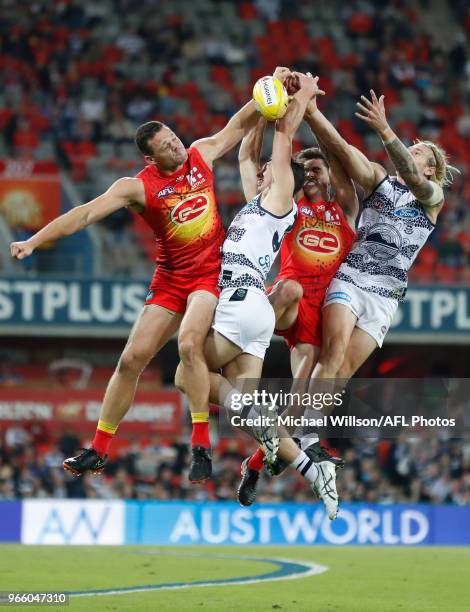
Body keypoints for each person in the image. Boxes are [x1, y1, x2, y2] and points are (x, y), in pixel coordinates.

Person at [10, 90, 266, 480]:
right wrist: (32, 241)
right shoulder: (137, 187)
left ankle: (200, 444)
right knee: (130, 360)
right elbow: (83, 215)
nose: (176, 146)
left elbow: (240, 122)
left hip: (210, 274)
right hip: (169, 279)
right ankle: (98, 449)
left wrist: (272, 88)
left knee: (188, 343)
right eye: (166, 146)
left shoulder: (201, 154)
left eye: (175, 138)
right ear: (151, 158)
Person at [176, 73, 339, 520]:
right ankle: (311, 470)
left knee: (185, 372)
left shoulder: (280, 196)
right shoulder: (256, 203)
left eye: (270, 168)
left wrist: (297, 97)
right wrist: (264, 99)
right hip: (255, 313)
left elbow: (283, 137)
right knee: (252, 415)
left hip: (240, 300)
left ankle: (226, 439)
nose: (262, 168)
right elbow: (249, 149)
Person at [236, 122, 359, 506]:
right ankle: (236, 340)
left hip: (324, 310)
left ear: (329, 177)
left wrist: (319, 130)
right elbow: (265, 165)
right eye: (304, 171)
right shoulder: (290, 207)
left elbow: (340, 165)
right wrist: (283, 119)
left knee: (299, 398)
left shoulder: (346, 211)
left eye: (316, 171)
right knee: (290, 287)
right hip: (290, 300)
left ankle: (255, 464)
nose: (310, 176)